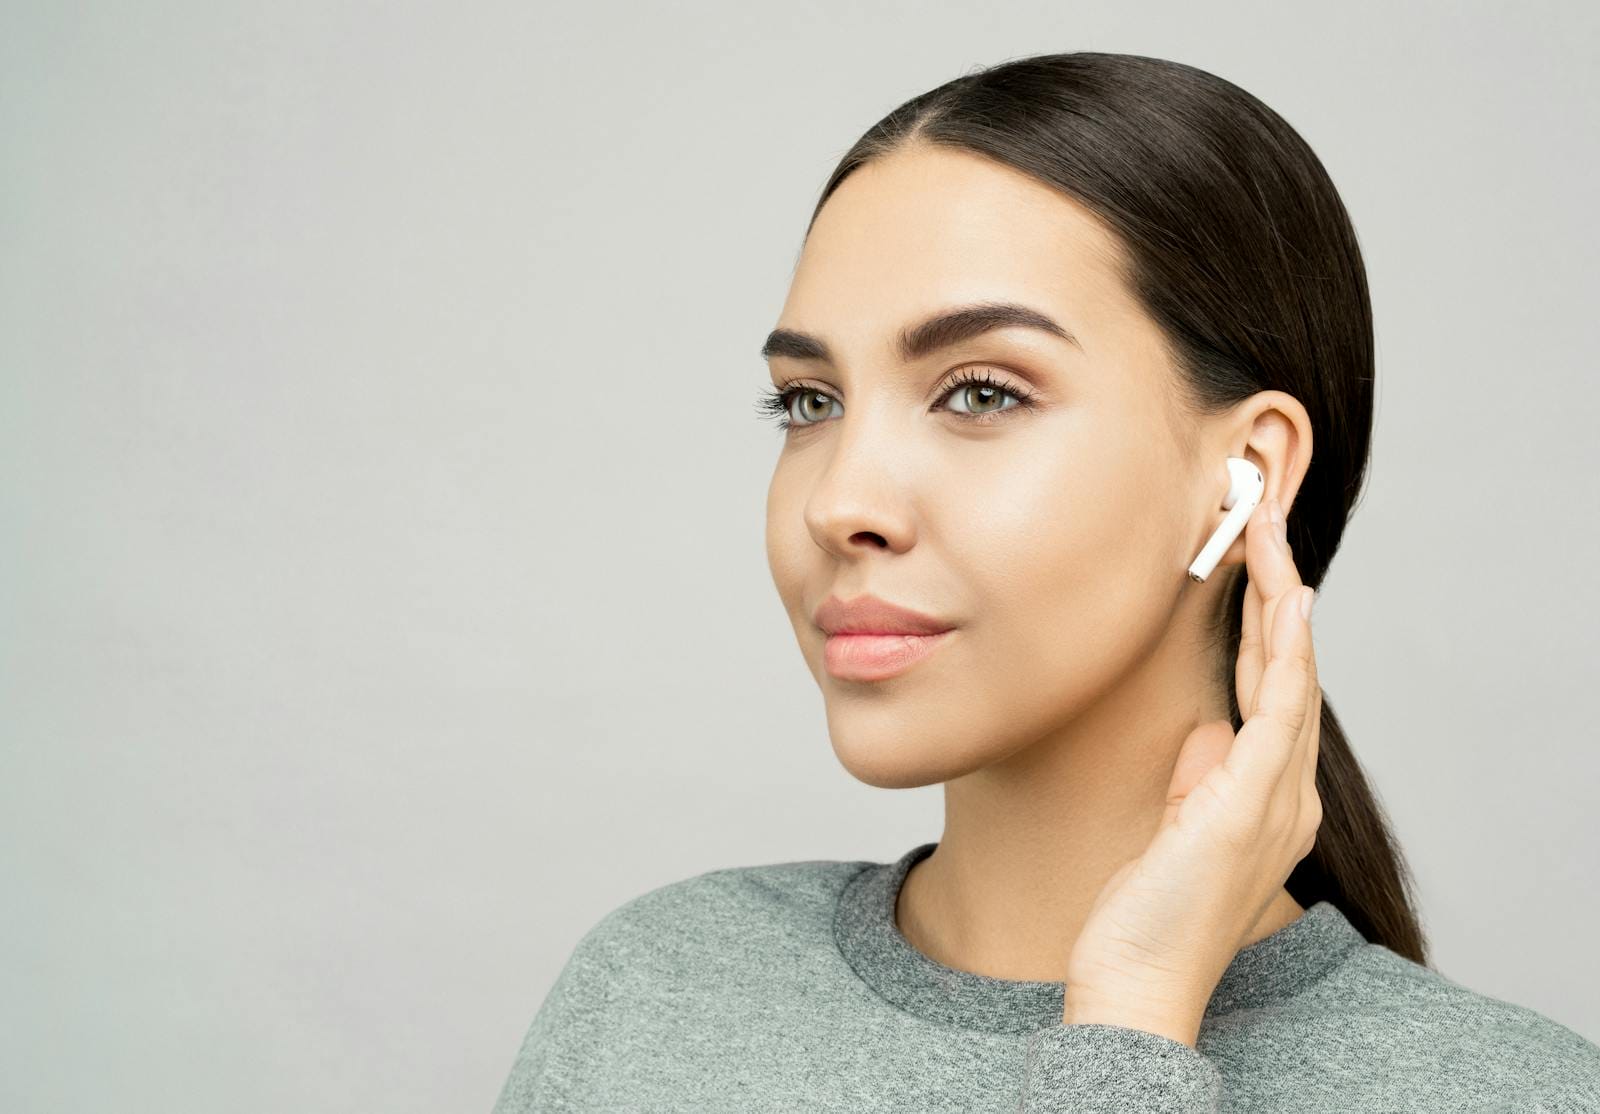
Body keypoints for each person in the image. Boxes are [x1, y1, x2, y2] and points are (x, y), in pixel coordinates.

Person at [493, 51, 1600, 1111]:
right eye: (808, 403)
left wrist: (1133, 1017)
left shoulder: (1510, 1093)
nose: (839, 504)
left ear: (1244, 477)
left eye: (979, 393)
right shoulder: (659, 993)